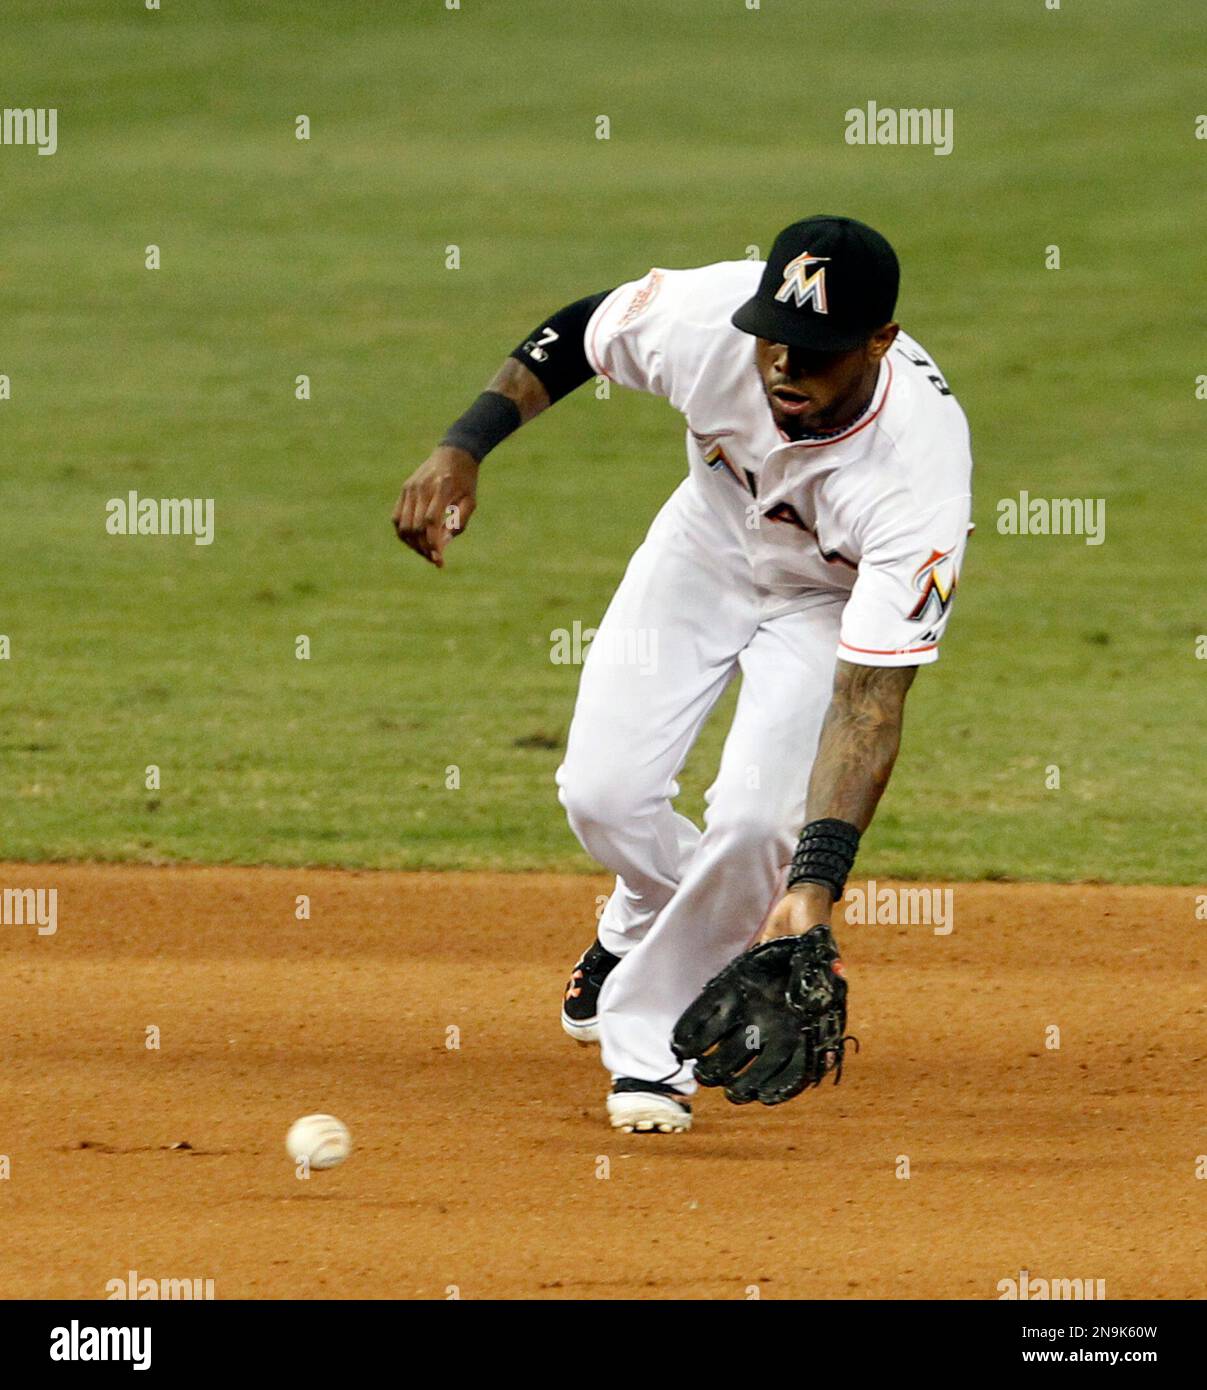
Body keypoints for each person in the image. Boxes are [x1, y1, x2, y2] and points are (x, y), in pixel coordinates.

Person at [394, 215, 973, 1133]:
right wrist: (465, 445)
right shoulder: (710, 322)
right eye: (775, 342)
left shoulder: (917, 476)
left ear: (878, 343)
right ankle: (638, 922)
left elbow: (867, 704)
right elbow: (580, 333)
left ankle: (652, 1045)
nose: (783, 368)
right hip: (703, 547)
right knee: (602, 796)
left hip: (825, 601)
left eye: (816, 355)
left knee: (752, 827)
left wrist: (812, 887)